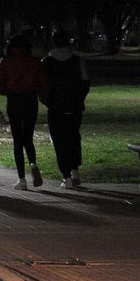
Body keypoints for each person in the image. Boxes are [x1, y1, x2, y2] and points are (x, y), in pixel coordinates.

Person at [0, 34, 46, 189]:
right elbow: (43, 81)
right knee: (28, 136)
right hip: (30, 99)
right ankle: (33, 164)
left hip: (14, 100)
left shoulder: (6, 62)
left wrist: (5, 91)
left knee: (17, 139)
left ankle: (22, 179)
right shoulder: (34, 62)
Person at [40, 29, 90, 188]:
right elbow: (85, 83)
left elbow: (42, 86)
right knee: (74, 137)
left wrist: (48, 101)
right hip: (74, 106)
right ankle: (75, 169)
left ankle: (66, 175)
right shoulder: (78, 60)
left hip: (55, 107)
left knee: (59, 140)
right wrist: (79, 98)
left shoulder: (46, 62)